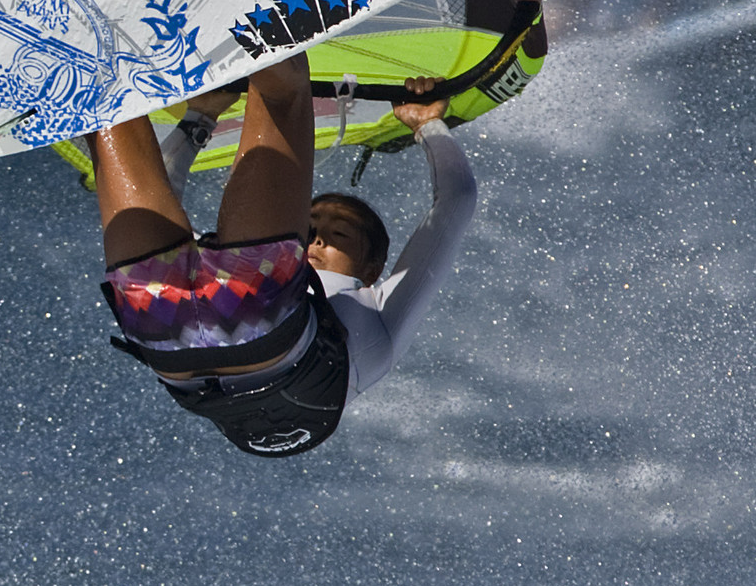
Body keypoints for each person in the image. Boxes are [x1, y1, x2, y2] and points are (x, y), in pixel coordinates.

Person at [92, 55, 477, 457]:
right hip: (165, 338)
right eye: (312, 228)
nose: (315, 242)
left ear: (371, 270)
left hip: (237, 323)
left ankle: (258, 3)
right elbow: (458, 199)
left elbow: (457, 200)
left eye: (338, 235)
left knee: (285, 91)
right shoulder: (372, 339)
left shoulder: (373, 310)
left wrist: (201, 118)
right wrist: (427, 123)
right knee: (103, 109)